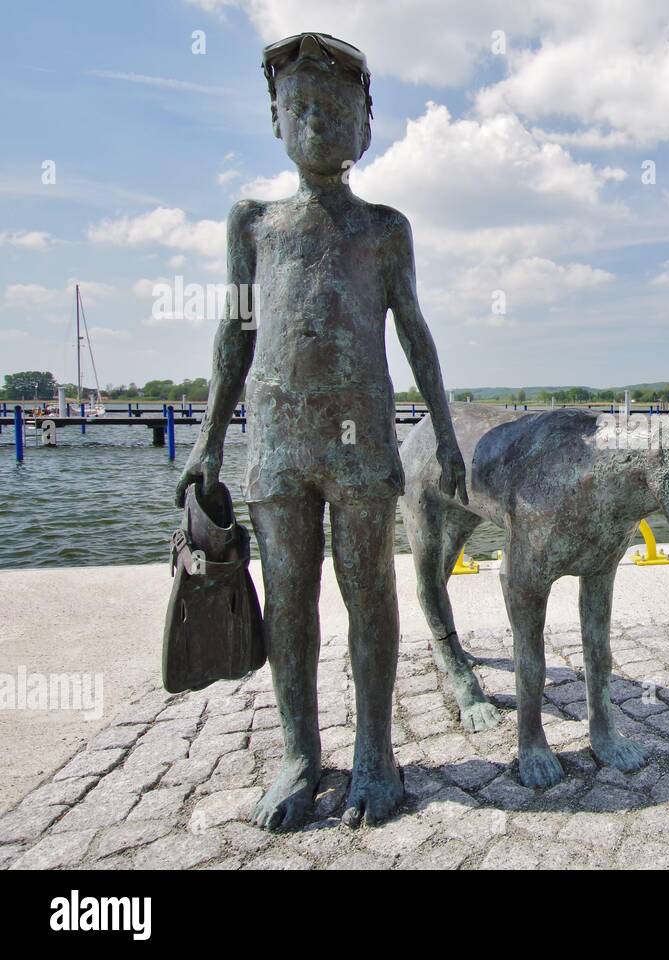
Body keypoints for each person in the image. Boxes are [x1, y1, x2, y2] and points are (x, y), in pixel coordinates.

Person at [175, 33, 468, 830]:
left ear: (366, 129)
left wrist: (444, 431)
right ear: (275, 120)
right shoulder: (255, 223)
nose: (317, 123)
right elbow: (235, 335)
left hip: (362, 438)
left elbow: (415, 333)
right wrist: (206, 442)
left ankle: (376, 751)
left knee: (369, 593)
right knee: (289, 599)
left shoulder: (384, 228)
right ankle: (299, 754)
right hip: (275, 441)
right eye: (300, 109)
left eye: (335, 112)